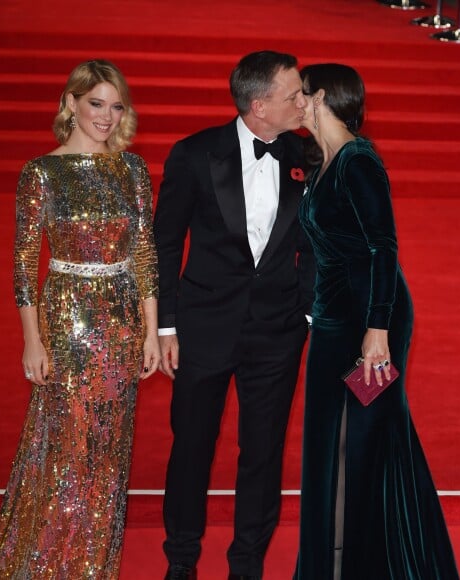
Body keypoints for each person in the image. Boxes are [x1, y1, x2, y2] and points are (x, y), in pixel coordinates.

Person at [0, 60, 160, 579]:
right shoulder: (41, 172)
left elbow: (144, 253)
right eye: (96, 104)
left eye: (116, 107)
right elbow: (24, 262)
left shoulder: (132, 170)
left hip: (121, 318)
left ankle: (93, 565)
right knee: (68, 444)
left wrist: (151, 329)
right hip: (67, 316)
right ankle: (51, 562)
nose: (107, 117)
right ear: (71, 103)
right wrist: (33, 342)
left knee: (110, 449)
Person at [294, 63, 460, 579]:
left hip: (369, 321)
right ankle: (332, 562)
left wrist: (378, 330)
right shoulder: (323, 159)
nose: (296, 102)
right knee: (329, 442)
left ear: (321, 97)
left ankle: (358, 566)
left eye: (301, 93)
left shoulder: (358, 162)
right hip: (332, 320)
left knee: (357, 442)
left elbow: (384, 247)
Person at [154, 50, 315, 580]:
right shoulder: (195, 154)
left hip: (277, 331)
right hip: (202, 327)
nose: (303, 102)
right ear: (258, 104)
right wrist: (166, 325)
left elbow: (317, 242)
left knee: (263, 453)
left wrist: (308, 311)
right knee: (192, 445)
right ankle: (181, 557)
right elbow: (165, 242)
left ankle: (246, 564)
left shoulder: (306, 157)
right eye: (294, 94)